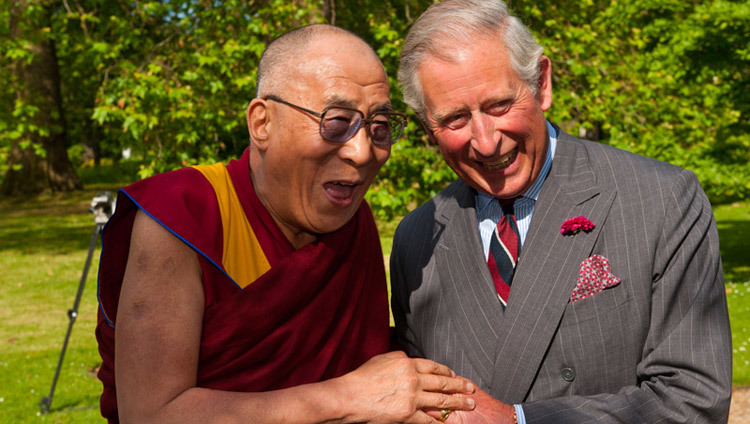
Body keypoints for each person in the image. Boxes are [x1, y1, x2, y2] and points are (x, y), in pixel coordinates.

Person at [95, 24, 477, 424]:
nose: (363, 153)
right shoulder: (184, 216)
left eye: (379, 127)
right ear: (262, 123)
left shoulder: (352, 222)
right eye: (336, 121)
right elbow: (150, 414)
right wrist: (345, 398)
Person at [390, 1, 732, 423]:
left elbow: (693, 399)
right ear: (428, 128)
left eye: (499, 104)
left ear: (542, 84)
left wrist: (519, 419)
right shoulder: (416, 240)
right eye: (455, 119)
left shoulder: (661, 200)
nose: (485, 141)